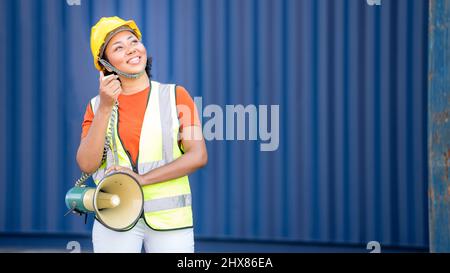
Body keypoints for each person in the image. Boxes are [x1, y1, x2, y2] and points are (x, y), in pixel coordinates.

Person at [76, 16, 208, 253]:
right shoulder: (96, 106)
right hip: (114, 219)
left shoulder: (176, 96)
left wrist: (142, 179)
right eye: (119, 48)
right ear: (105, 64)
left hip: (170, 223)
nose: (131, 50)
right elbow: (87, 164)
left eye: (133, 41)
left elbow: (197, 155)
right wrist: (106, 107)